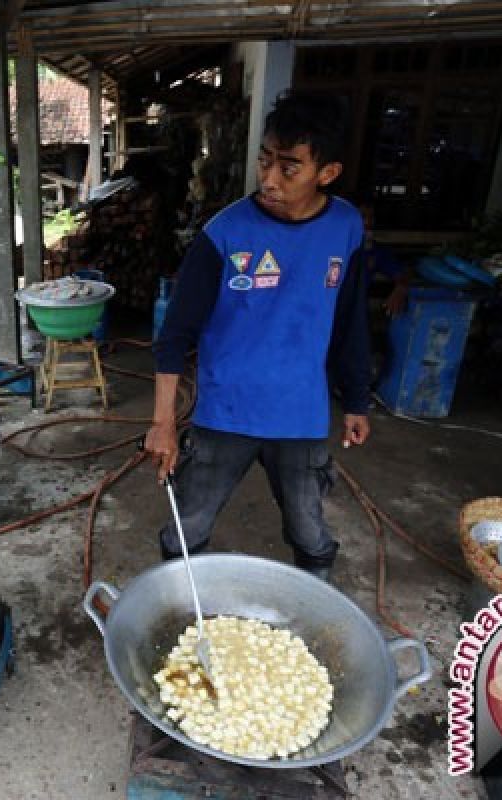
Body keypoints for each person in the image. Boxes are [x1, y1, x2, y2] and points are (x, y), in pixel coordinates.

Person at [144, 92, 372, 581]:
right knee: (189, 523)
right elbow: (174, 335)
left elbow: (352, 320)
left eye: (289, 167)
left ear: (326, 173)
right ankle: (179, 605)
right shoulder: (223, 233)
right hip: (224, 412)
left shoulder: (347, 228)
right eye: (265, 160)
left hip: (301, 415)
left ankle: (313, 610)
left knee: (309, 531)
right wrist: (162, 423)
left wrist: (356, 400)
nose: (269, 179)